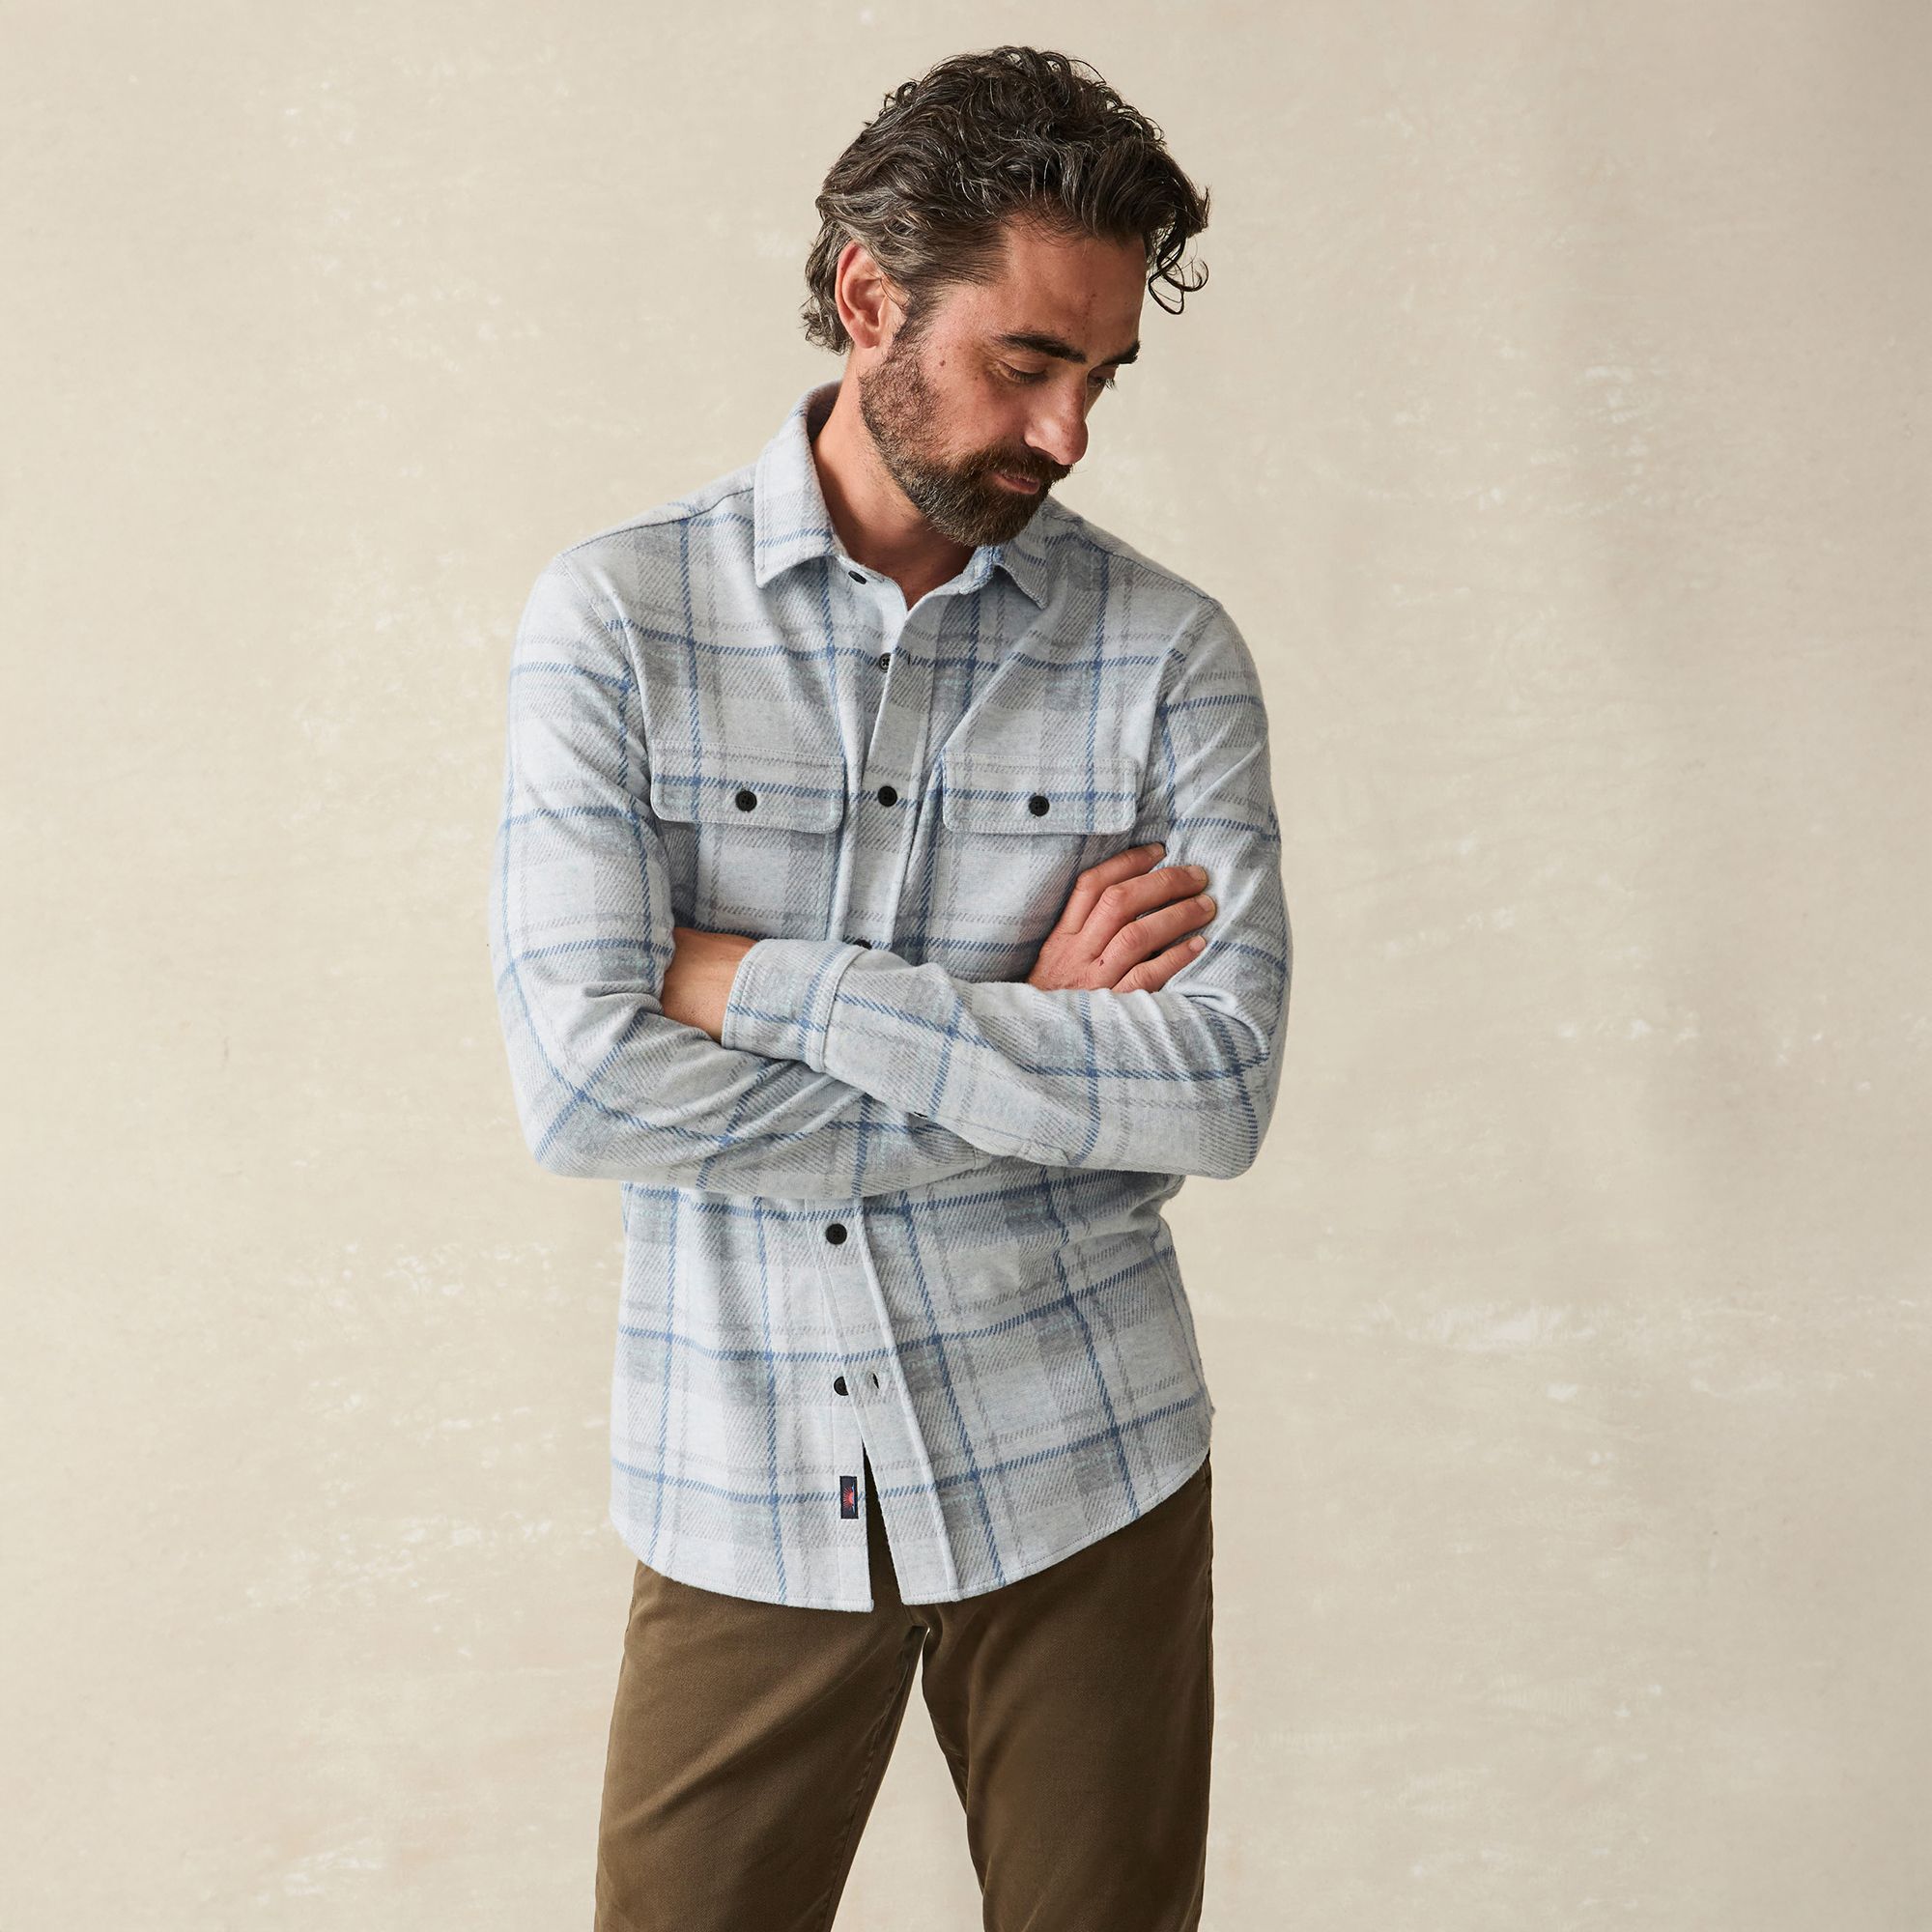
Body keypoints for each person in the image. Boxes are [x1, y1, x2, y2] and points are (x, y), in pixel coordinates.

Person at [486, 43, 1293, 1932]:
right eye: (1030, 362)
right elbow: (582, 1089)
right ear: (870, 299)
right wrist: (1042, 1044)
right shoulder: (617, 621)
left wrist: (764, 981)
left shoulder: (1167, 656)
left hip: (1088, 1461)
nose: (1070, 433)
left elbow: (1216, 1088)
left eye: (1102, 376)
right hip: (741, 1478)